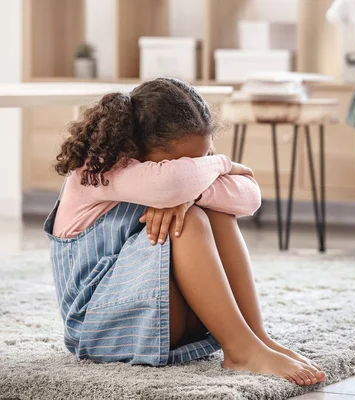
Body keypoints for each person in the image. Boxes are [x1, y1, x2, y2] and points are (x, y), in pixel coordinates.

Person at [44, 77, 326, 386]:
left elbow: (249, 197)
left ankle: (255, 337)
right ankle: (240, 349)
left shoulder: (177, 175)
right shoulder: (98, 168)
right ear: (137, 146)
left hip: (163, 315)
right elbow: (171, 184)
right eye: (181, 163)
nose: (193, 168)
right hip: (99, 325)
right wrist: (221, 164)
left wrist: (194, 192)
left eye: (200, 160)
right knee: (189, 220)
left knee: (214, 211)